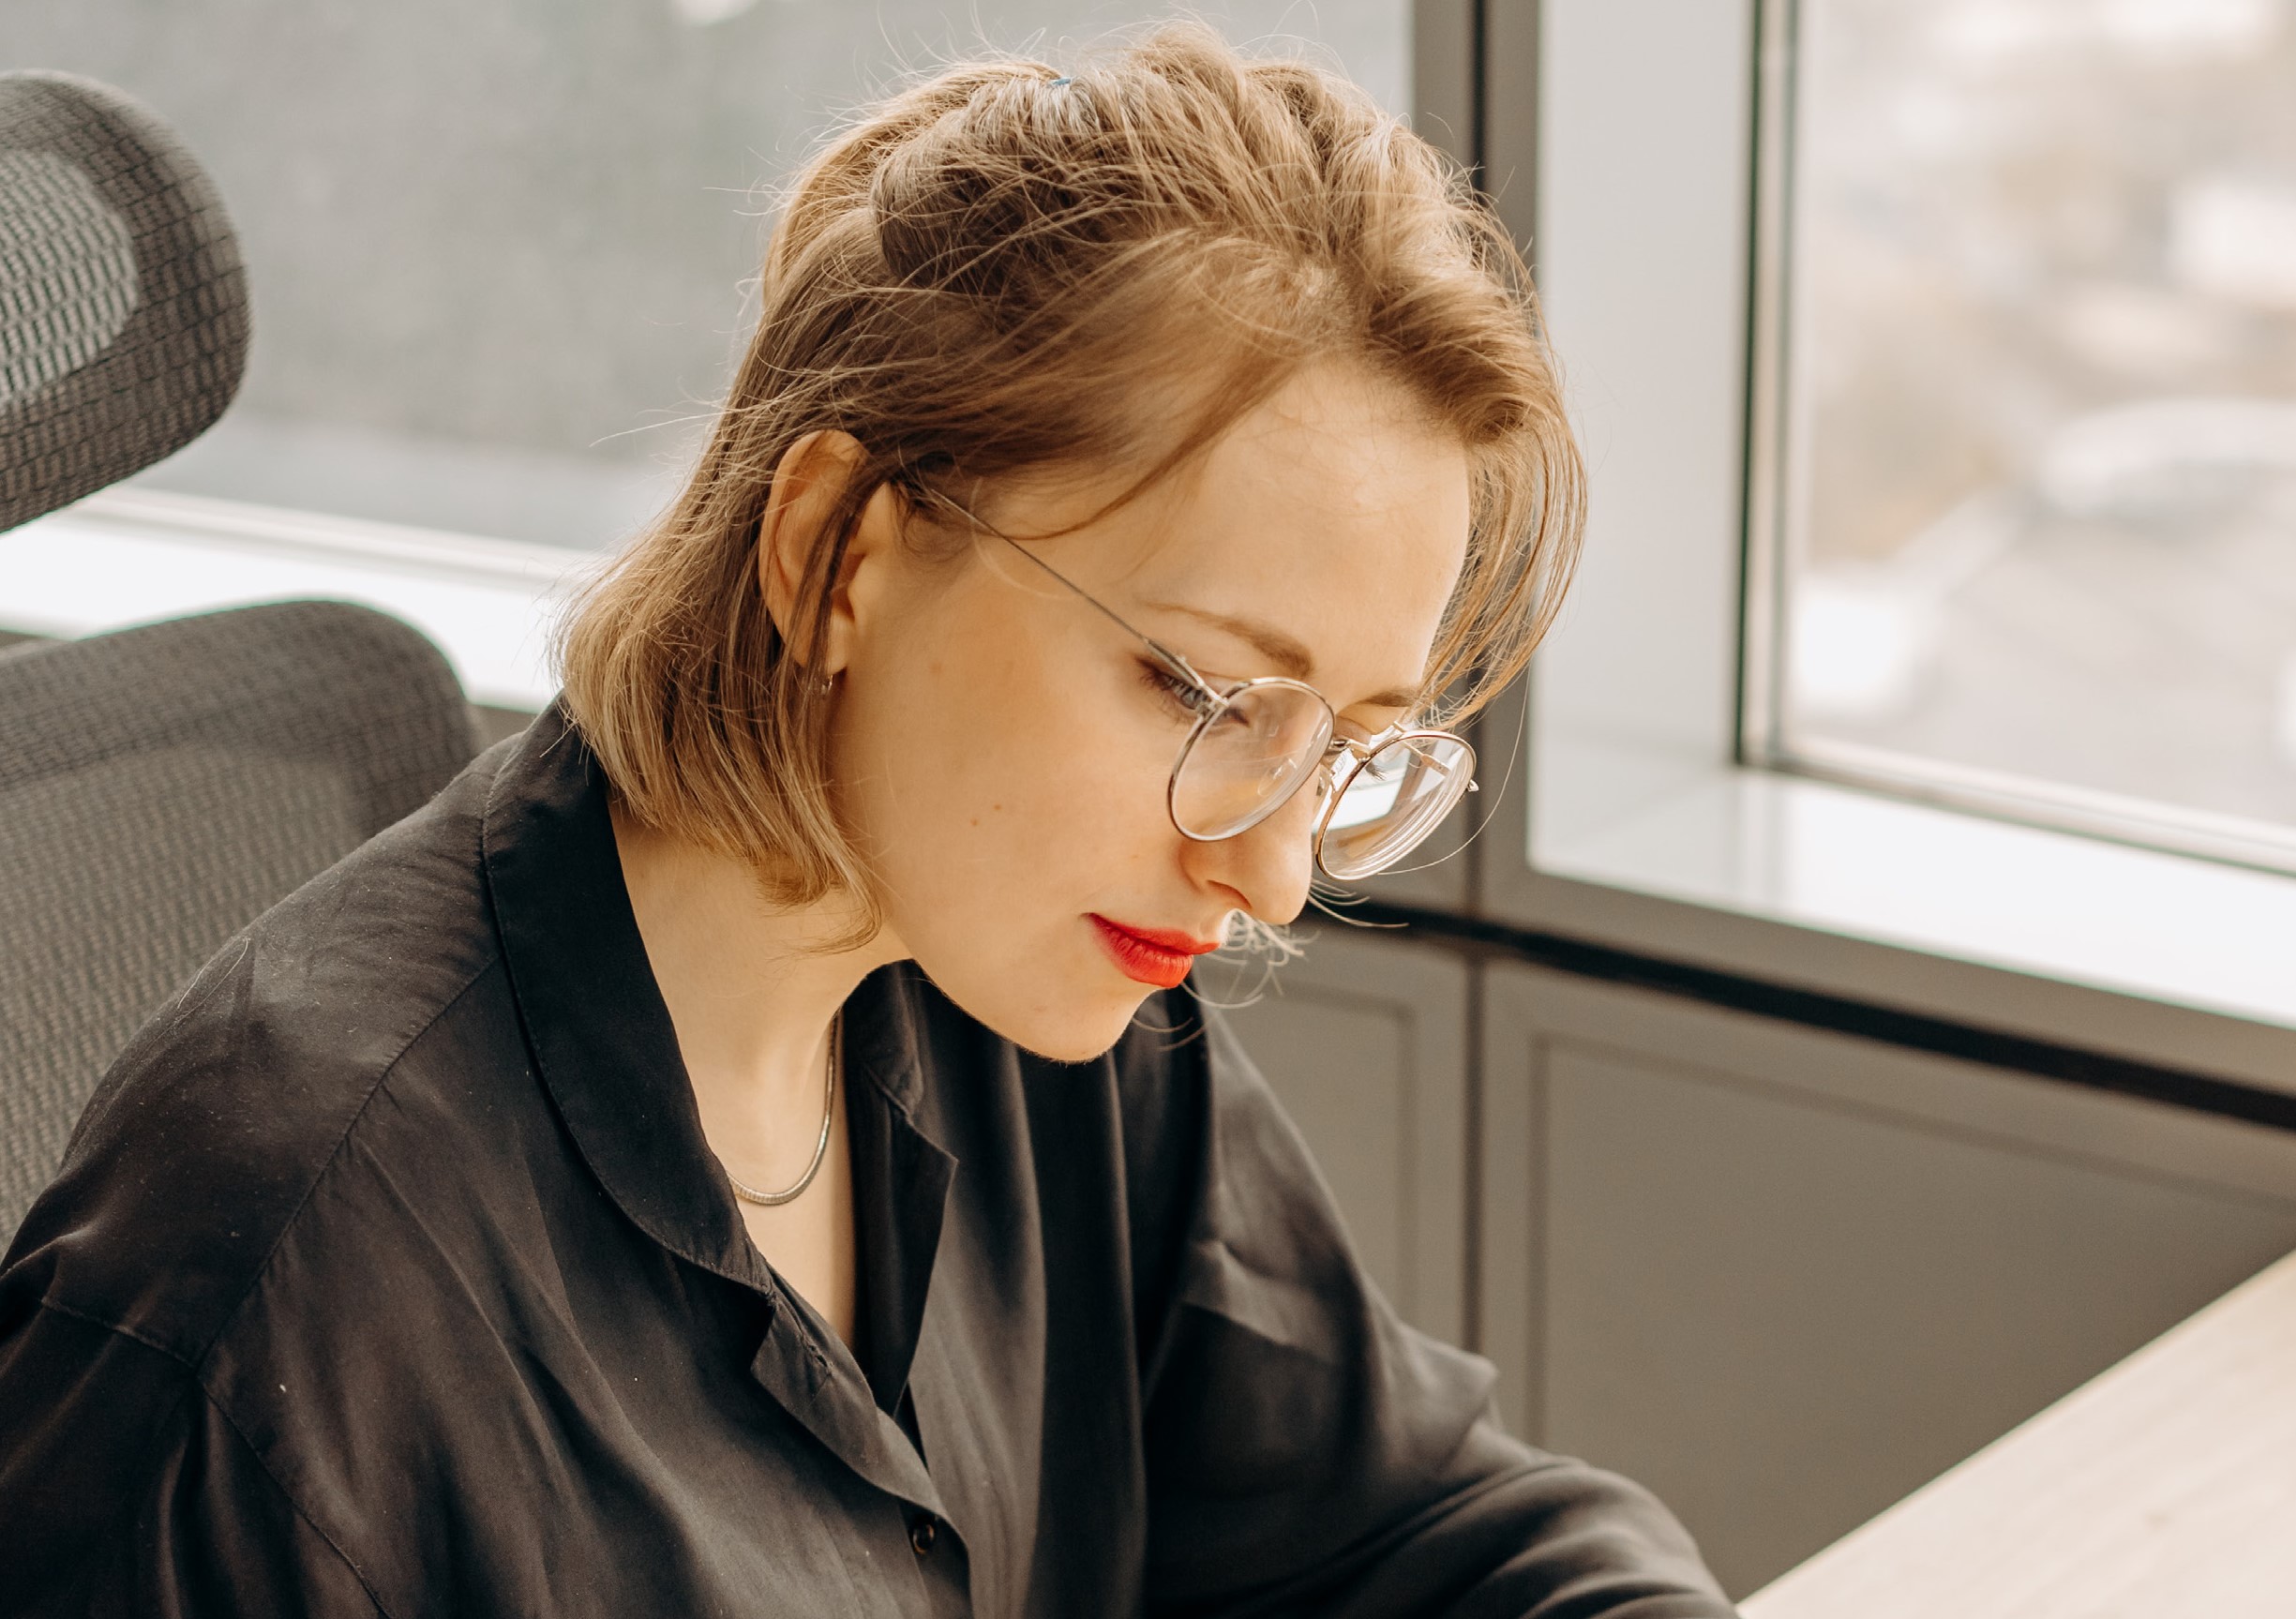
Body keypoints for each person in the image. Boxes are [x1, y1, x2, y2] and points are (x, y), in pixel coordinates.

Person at [0, 25, 1734, 1616]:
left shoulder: (1044, 1004)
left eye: (1348, 747)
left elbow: (1422, 1528)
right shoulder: (260, 1317)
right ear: (839, 547)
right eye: (1205, 697)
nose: (1268, 866)